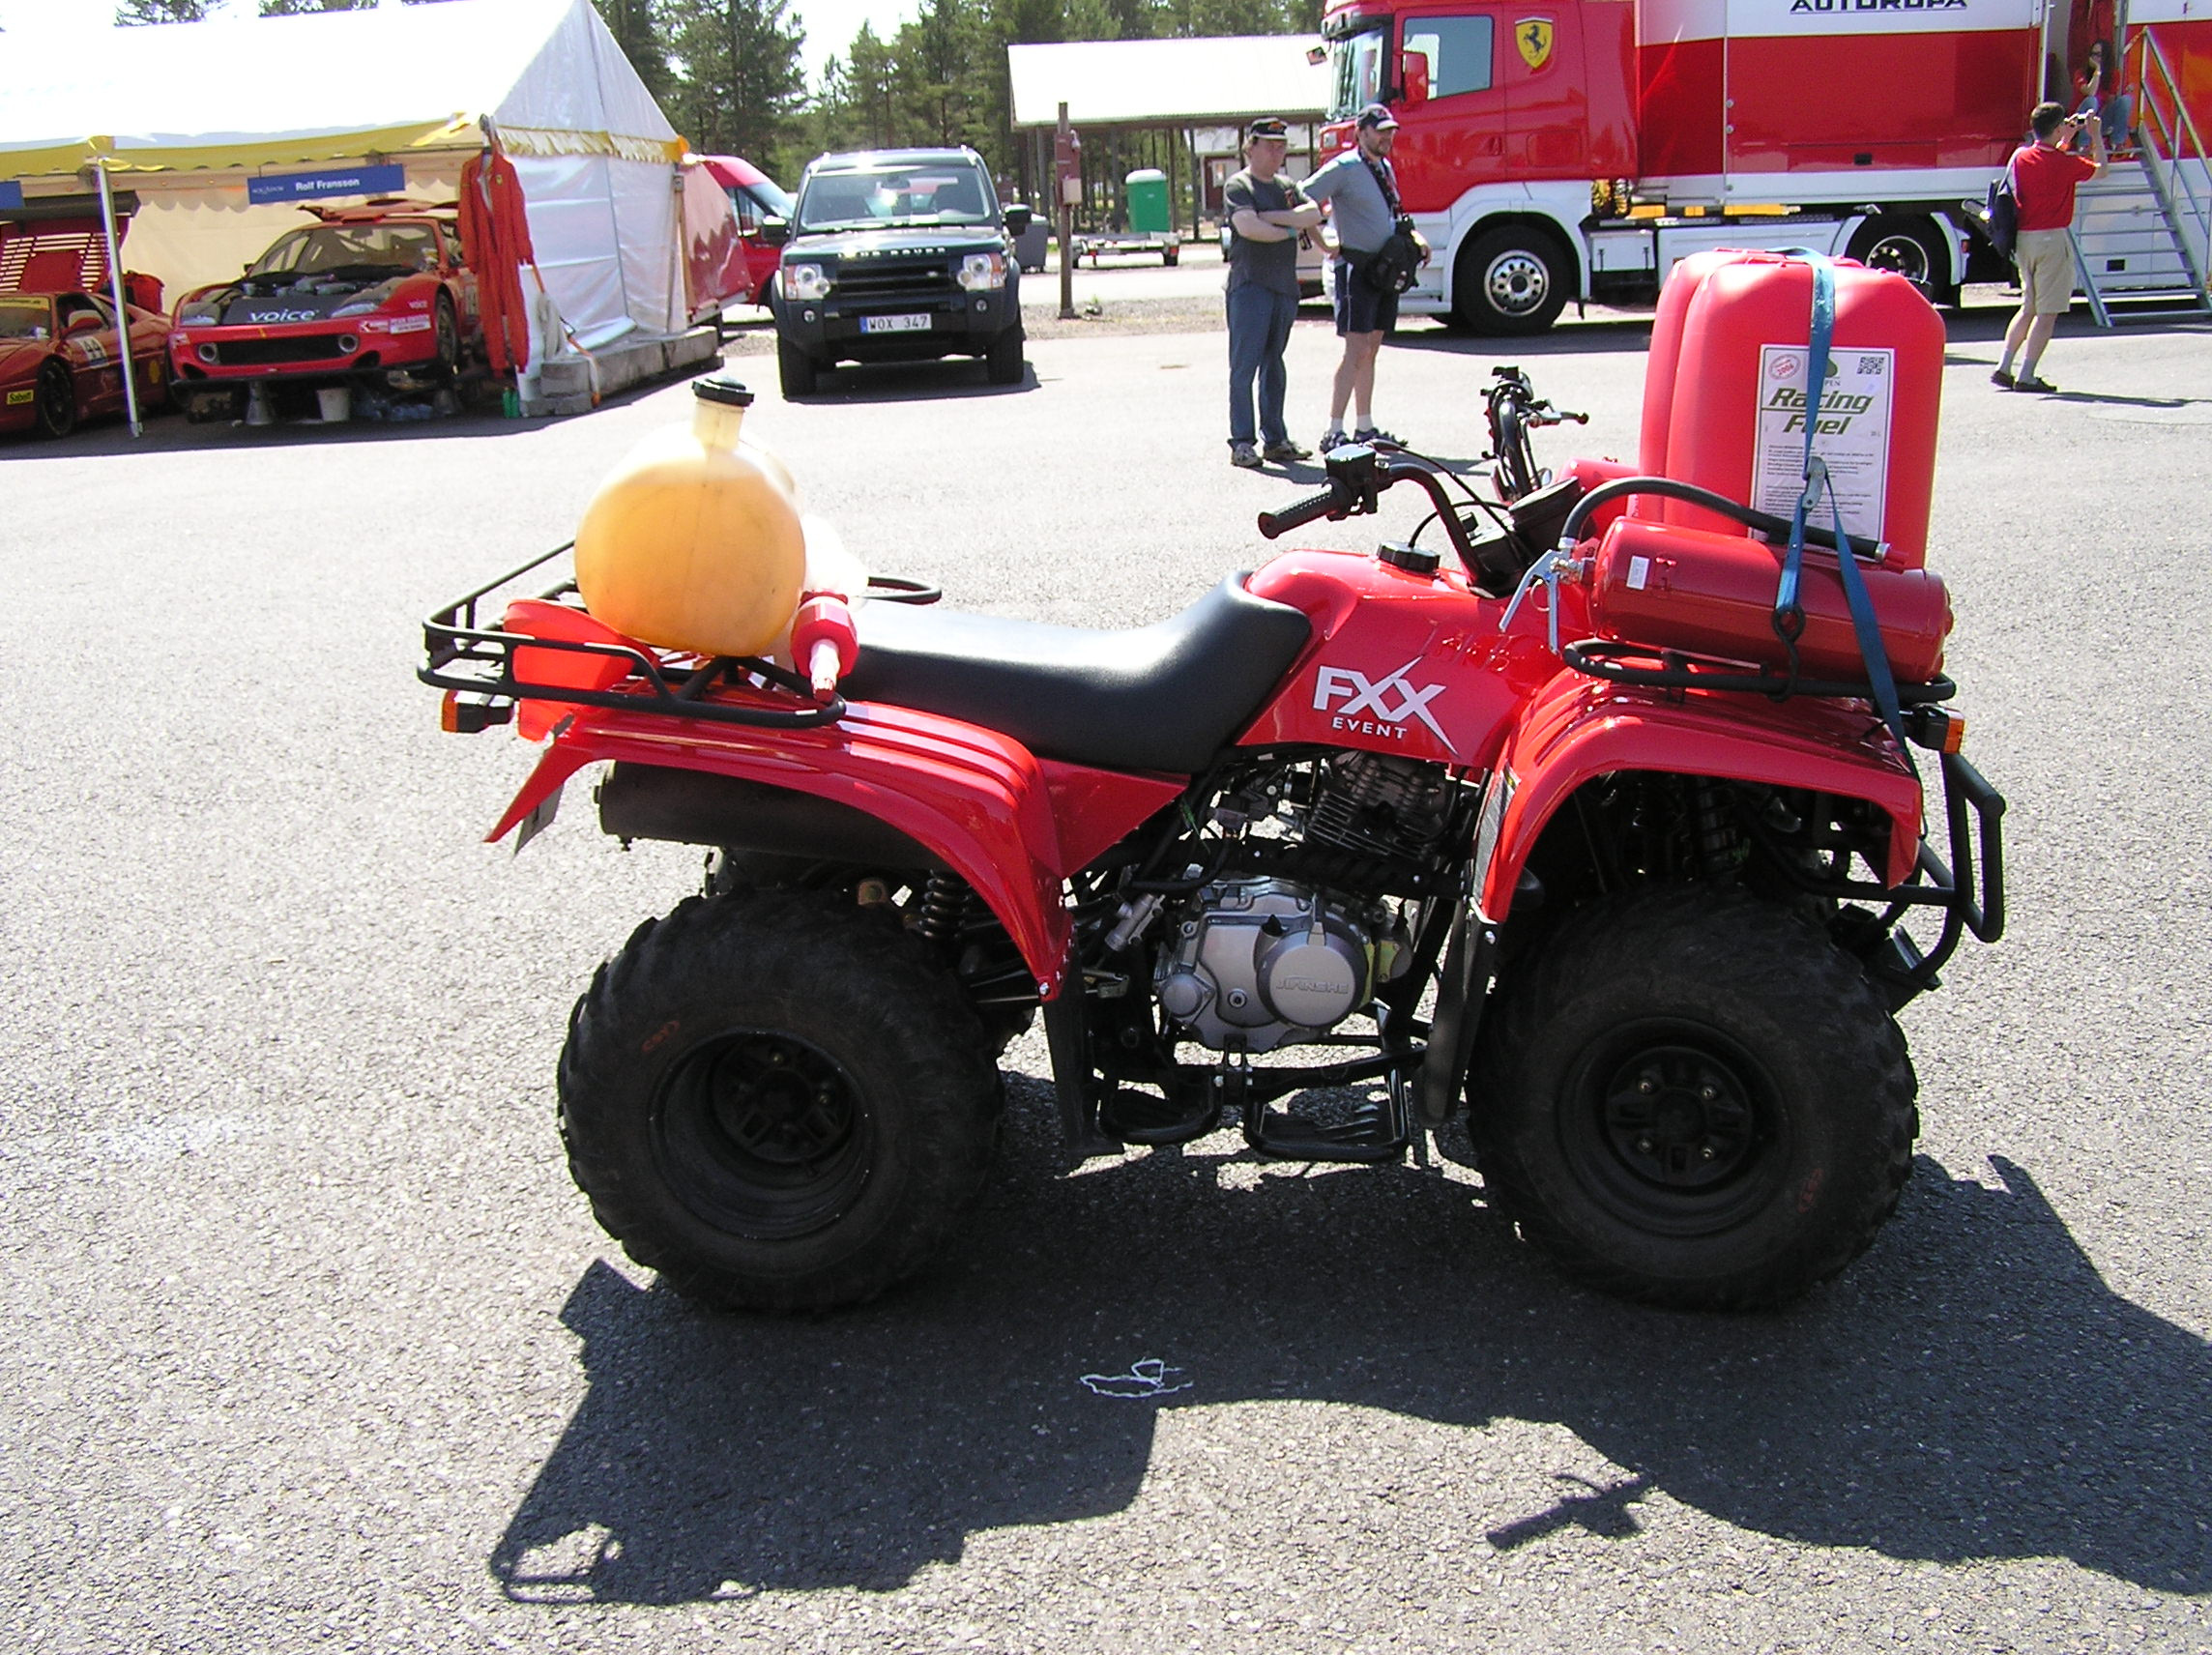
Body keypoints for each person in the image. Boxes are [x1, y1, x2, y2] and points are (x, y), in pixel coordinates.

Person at [1300, 103, 1426, 452]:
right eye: (1379, 131)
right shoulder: (1344, 167)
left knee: (1371, 348)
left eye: (1390, 131)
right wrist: (1323, 240)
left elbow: (1393, 213)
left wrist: (1415, 239)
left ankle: (1364, 427)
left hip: (1382, 270)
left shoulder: (1383, 167)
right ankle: (1334, 430)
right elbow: (1301, 196)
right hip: (1356, 268)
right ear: (1361, 133)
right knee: (1355, 349)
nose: (1387, 137)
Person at [1222, 117, 1323, 468]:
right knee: (1244, 366)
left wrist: (1277, 218)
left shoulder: (1286, 186)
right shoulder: (1240, 185)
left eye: (1281, 146)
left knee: (1274, 364)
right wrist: (1290, 227)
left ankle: (1276, 439)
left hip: (1283, 287)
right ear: (1250, 147)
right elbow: (1248, 227)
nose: (1276, 152)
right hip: (1250, 286)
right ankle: (1242, 442)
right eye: (1269, 145)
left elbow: (1312, 212)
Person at [1994, 102, 2105, 394]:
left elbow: (2046, 159)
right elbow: (2101, 170)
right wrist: (2095, 135)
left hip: (2025, 239)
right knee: (2047, 313)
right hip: (2052, 240)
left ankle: (2004, 367)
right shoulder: (2066, 164)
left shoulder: (2020, 157)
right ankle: (2027, 375)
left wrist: (2064, 139)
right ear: (2057, 128)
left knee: (2028, 307)